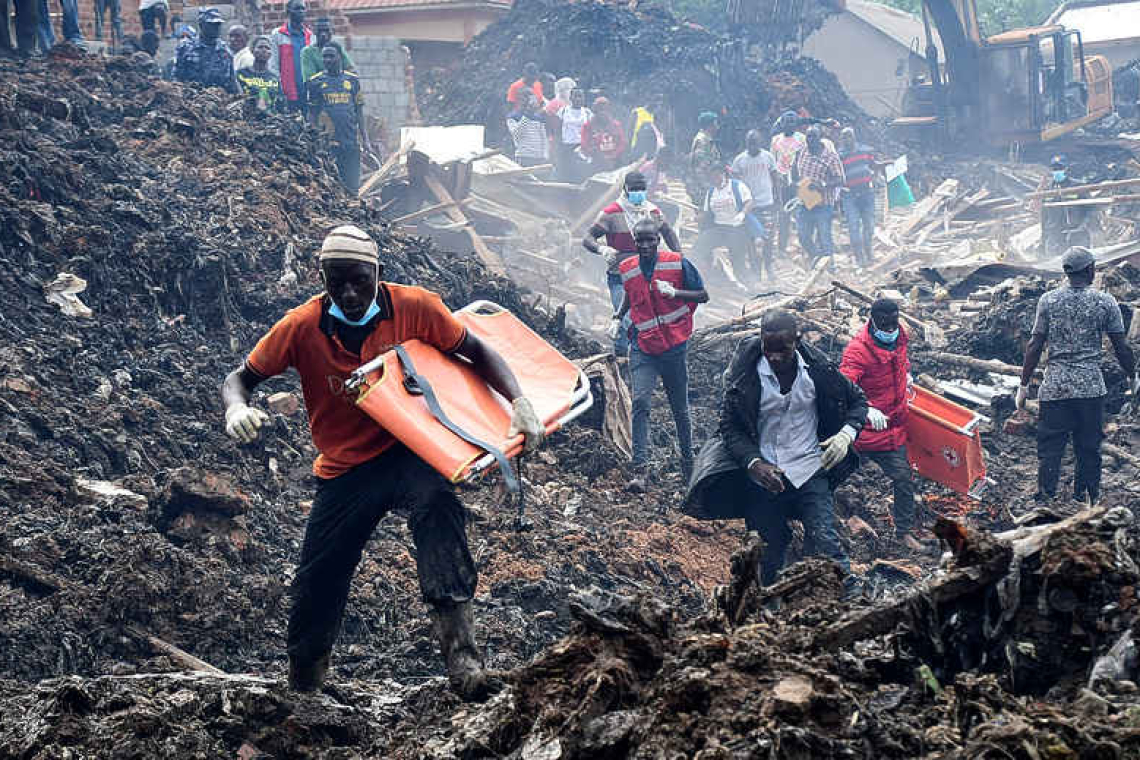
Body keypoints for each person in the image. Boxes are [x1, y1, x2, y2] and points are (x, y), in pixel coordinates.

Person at [221, 225, 545, 700]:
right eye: (337, 282)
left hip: (410, 450)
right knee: (319, 574)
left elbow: (476, 350)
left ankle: (465, 664)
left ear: (377, 273)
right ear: (323, 279)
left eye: (359, 280)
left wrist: (519, 400)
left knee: (438, 507)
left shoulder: (414, 308)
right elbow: (240, 378)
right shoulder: (301, 326)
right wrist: (236, 408)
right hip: (346, 467)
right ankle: (305, 681)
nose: (350, 293)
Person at [684, 309, 867, 587]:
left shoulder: (819, 371)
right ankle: (768, 607)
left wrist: (845, 435)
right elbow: (729, 428)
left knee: (825, 540)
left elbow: (858, 401)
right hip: (764, 477)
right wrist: (753, 463)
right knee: (767, 552)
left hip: (810, 467)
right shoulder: (745, 378)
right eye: (768, 349)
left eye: (783, 349)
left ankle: (851, 600)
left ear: (798, 340)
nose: (775, 357)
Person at [1016, 247, 1137, 505]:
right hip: (1090, 389)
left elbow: (1035, 345)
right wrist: (1132, 376)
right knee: (1089, 447)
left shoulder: (1048, 301)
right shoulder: (1105, 302)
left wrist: (1023, 385)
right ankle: (1085, 498)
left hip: (1055, 388)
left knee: (1050, 447)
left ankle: (1046, 497)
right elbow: (1121, 346)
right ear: (1090, 270)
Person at [611, 219, 708, 490]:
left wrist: (676, 292)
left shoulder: (677, 263)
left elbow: (703, 295)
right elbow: (630, 295)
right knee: (640, 402)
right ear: (634, 240)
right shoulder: (627, 269)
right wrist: (618, 317)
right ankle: (640, 471)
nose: (644, 245)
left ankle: (688, 465)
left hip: (674, 347)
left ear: (658, 239)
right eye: (639, 240)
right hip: (643, 346)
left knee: (679, 408)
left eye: (649, 240)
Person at [839, 299, 920, 549]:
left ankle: (904, 532)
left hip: (890, 427)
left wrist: (906, 373)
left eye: (893, 323)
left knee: (904, 478)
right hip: (861, 429)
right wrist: (864, 410)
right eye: (884, 324)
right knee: (834, 475)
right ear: (872, 320)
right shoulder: (857, 351)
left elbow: (900, 362)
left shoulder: (901, 336)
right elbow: (842, 389)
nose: (890, 329)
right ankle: (831, 525)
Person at [582, 171, 682, 356]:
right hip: (620, 275)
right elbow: (588, 238)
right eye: (634, 189)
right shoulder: (612, 213)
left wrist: (678, 257)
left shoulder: (652, 212)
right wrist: (602, 249)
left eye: (641, 189)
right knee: (626, 317)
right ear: (625, 189)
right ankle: (622, 357)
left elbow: (668, 233)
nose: (638, 193)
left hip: (648, 275)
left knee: (646, 318)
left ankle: (640, 356)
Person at [308, 44, 374, 194]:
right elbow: (312, 113)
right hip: (329, 143)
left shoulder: (352, 80)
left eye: (331, 56)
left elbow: (359, 112)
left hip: (351, 141)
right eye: (324, 56)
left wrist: (366, 140)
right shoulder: (315, 82)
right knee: (331, 185)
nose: (327, 59)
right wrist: (314, 139)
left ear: (340, 57)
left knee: (352, 184)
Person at [691, 165, 756, 289]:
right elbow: (706, 212)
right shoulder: (711, 192)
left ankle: (752, 287)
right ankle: (698, 279)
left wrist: (742, 214)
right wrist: (697, 218)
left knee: (738, 263)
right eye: (712, 176)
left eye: (717, 175)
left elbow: (749, 202)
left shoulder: (737, 186)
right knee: (699, 247)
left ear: (724, 174)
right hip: (719, 228)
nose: (715, 178)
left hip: (737, 229)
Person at [792, 124, 845, 264]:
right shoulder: (802, 151)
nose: (809, 140)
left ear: (820, 138)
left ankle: (830, 268)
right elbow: (794, 170)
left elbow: (840, 179)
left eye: (813, 136)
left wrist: (823, 184)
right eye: (808, 136)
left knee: (824, 237)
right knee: (803, 236)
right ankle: (817, 259)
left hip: (823, 203)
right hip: (805, 201)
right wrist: (797, 183)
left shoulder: (830, 157)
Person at [730, 129, 778, 281]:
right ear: (746, 143)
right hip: (749, 207)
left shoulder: (768, 157)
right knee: (750, 241)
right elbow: (735, 184)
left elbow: (775, 179)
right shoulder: (739, 160)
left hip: (767, 204)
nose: (752, 145)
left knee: (768, 239)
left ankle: (769, 267)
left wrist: (778, 200)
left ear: (760, 142)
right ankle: (756, 272)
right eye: (749, 142)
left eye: (755, 142)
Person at [838, 127, 881, 266]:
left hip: (866, 193)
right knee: (853, 226)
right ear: (841, 139)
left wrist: (874, 178)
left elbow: (874, 166)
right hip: (850, 196)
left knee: (869, 225)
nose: (847, 139)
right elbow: (836, 174)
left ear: (854, 137)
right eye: (844, 137)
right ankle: (859, 258)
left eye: (849, 136)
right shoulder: (839, 156)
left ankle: (869, 252)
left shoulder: (865, 151)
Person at [1041, 155, 1098, 258]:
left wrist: (1083, 227)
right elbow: (1044, 216)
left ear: (1066, 168)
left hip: (1077, 235)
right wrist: (1043, 238)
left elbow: (1091, 209)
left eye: (1060, 168)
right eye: (1054, 169)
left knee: (1079, 264)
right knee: (1055, 268)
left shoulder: (1078, 186)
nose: (1057, 171)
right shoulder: (1047, 190)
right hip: (1055, 237)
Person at [173, 8, 238, 94]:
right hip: (191, 99)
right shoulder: (185, 48)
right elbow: (177, 78)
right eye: (211, 24)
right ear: (201, 25)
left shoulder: (225, 50)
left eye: (218, 24)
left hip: (219, 100)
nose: (216, 28)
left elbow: (232, 81)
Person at [770, 111, 806, 255]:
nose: (789, 125)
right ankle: (782, 248)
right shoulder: (775, 140)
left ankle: (804, 246)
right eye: (786, 122)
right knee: (784, 215)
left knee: (802, 214)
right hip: (782, 182)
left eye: (792, 122)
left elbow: (805, 159)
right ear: (782, 124)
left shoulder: (802, 139)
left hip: (799, 182)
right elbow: (773, 162)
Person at [270, 0, 313, 114]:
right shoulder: (278, 34)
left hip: (307, 93)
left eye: (303, 9)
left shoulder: (310, 36)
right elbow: (273, 65)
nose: (301, 12)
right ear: (288, 11)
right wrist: (278, 90)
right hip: (287, 93)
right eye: (297, 9)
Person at [236, 36, 282, 114]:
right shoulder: (241, 74)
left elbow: (280, 104)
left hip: (271, 121)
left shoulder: (274, 78)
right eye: (260, 47)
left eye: (267, 48)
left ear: (271, 53)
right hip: (245, 120)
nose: (264, 50)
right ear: (252, 50)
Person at [580, 97, 627, 172]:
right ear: (595, 111)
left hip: (615, 163)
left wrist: (614, 155)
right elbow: (584, 145)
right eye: (600, 110)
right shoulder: (588, 126)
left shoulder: (616, 125)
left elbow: (622, 143)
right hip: (595, 164)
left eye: (605, 109)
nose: (603, 112)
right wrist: (598, 156)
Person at [301, 16, 353, 83]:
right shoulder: (308, 52)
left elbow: (350, 70)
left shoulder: (337, 48)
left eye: (326, 30)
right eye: (320, 31)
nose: (323, 34)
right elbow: (310, 79)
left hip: (341, 89)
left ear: (332, 32)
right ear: (314, 32)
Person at [554, 86, 590, 182]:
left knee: (580, 173)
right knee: (566, 172)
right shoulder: (563, 111)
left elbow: (591, 131)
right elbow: (557, 130)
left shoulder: (587, 112)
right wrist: (557, 147)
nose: (578, 99)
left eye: (580, 96)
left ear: (584, 98)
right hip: (567, 147)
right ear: (570, 98)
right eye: (576, 96)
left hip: (582, 147)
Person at [506, 90, 549, 168]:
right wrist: (527, 116)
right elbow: (516, 134)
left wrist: (545, 155)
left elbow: (543, 138)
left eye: (531, 99)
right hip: (524, 156)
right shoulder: (513, 117)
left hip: (539, 158)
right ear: (519, 100)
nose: (528, 102)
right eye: (525, 99)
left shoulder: (538, 117)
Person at [686, 111, 721, 205]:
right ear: (709, 126)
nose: (718, 127)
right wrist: (708, 189)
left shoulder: (707, 140)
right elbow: (699, 168)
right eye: (716, 124)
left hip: (705, 188)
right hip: (701, 190)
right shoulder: (702, 141)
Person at [627, 95, 664, 161]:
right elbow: (629, 131)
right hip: (636, 150)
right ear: (650, 101)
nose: (659, 106)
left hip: (649, 152)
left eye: (660, 104)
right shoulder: (637, 112)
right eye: (657, 103)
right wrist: (628, 149)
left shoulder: (654, 116)